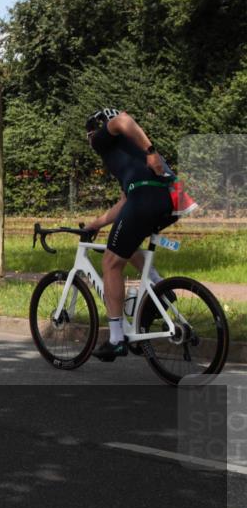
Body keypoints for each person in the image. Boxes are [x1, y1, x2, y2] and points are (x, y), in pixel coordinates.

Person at [82, 109, 184, 362]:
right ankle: (159, 286)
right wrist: (96, 224)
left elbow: (123, 119)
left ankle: (116, 339)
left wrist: (151, 152)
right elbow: (125, 203)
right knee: (126, 246)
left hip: (146, 197)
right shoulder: (129, 153)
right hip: (172, 199)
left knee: (110, 262)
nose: (90, 142)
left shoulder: (101, 139)